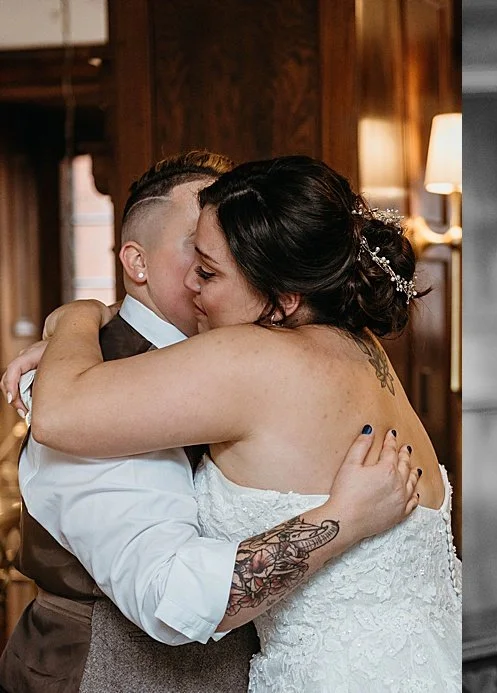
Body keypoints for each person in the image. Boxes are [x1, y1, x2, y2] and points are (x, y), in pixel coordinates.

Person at [19, 155, 460, 691]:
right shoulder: (358, 346)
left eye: (207, 271)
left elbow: (59, 412)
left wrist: (74, 316)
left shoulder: (252, 360)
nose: (192, 285)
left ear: (281, 302)